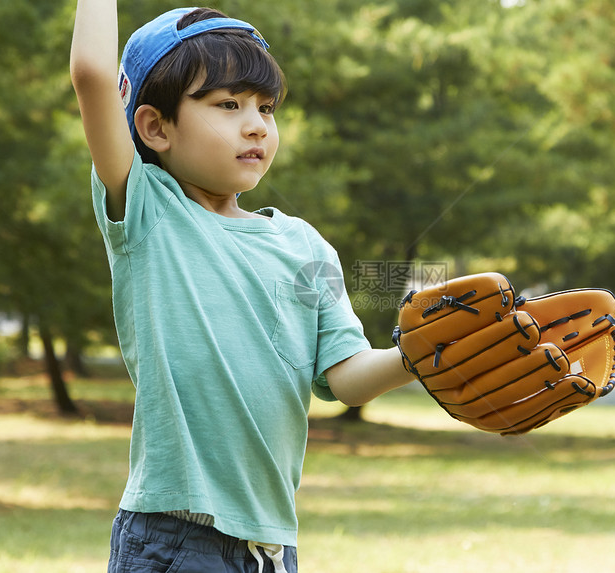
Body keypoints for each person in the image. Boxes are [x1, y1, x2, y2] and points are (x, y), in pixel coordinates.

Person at [70, 3, 414, 571]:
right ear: (156, 127)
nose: (256, 123)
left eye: (265, 107)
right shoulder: (149, 211)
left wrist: (421, 357)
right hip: (175, 536)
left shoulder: (307, 246)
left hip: (274, 549)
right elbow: (92, 76)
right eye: (227, 105)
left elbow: (347, 378)